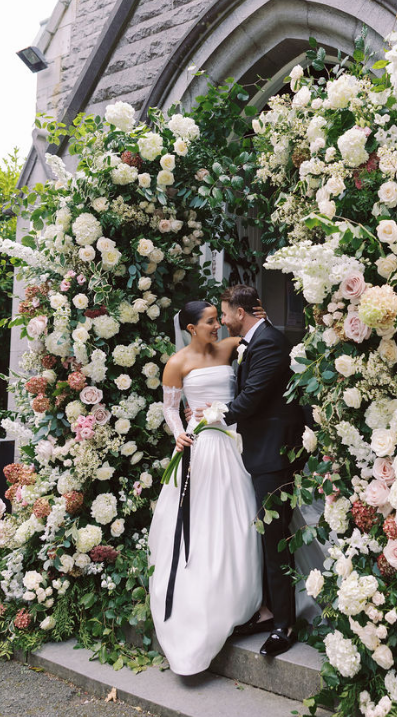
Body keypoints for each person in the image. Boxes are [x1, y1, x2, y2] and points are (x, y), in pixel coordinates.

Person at [148, 300, 262, 676]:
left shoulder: (230, 347)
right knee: (203, 522)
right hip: (201, 448)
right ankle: (203, 604)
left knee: (239, 517)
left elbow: (258, 343)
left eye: (219, 319)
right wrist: (180, 434)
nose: (218, 325)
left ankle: (243, 598)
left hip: (234, 442)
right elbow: (169, 408)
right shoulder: (177, 363)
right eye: (211, 321)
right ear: (192, 327)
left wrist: (259, 317)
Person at [216, 284, 305, 657]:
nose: (221, 320)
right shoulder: (256, 339)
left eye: (224, 313)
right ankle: (268, 610)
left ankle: (285, 625)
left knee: (275, 537)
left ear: (240, 312)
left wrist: (212, 416)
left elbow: (251, 398)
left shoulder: (268, 342)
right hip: (259, 451)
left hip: (274, 454)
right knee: (265, 535)